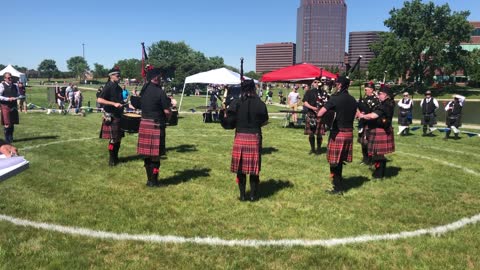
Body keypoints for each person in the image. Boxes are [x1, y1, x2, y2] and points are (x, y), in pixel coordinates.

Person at [228, 79, 268, 201]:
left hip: (240, 136)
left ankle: (242, 195)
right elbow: (265, 121)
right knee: (254, 169)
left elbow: (230, 121)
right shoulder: (260, 103)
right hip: (254, 136)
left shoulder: (236, 102)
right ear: (254, 88)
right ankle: (252, 196)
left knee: (241, 169)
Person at [317, 76, 358, 194]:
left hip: (338, 132)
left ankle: (338, 187)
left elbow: (320, 113)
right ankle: (338, 183)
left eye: (336, 84)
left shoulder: (335, 98)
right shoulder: (352, 99)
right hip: (349, 132)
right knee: (339, 161)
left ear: (339, 85)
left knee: (334, 161)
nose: (335, 86)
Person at [137, 68, 171, 187]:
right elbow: (166, 111)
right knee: (155, 156)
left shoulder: (144, 90)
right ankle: (154, 181)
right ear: (156, 78)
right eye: (160, 77)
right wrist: (169, 115)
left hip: (144, 123)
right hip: (156, 124)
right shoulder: (160, 92)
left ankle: (149, 180)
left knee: (147, 154)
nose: (161, 79)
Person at [359, 86, 396, 179]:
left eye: (380, 94)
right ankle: (379, 172)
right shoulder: (385, 103)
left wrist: (361, 116)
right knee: (378, 154)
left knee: (378, 153)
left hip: (380, 129)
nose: (378, 95)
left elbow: (373, 116)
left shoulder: (385, 105)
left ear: (386, 95)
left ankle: (379, 174)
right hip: (381, 129)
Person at [97, 67, 125, 166]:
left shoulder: (118, 88)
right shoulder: (108, 86)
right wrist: (113, 104)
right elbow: (99, 100)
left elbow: (119, 101)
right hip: (111, 116)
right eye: (117, 75)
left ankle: (116, 157)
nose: (119, 77)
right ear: (111, 76)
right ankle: (112, 159)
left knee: (118, 138)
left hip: (118, 115)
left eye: (119, 75)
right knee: (113, 139)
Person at [303, 78, 330, 155]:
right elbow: (305, 103)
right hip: (311, 114)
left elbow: (327, 103)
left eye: (318, 82)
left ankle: (318, 148)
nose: (316, 83)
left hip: (320, 115)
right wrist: (313, 108)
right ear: (312, 83)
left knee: (319, 133)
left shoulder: (323, 93)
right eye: (315, 82)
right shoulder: (309, 92)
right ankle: (312, 149)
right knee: (311, 133)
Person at [357, 82, 379, 165]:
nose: (365, 91)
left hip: (371, 124)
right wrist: (358, 113)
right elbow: (357, 108)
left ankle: (371, 159)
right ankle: (365, 159)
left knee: (369, 143)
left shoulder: (376, 100)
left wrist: (364, 115)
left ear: (372, 90)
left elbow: (375, 112)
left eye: (366, 89)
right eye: (365, 89)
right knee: (363, 143)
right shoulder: (363, 99)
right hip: (362, 123)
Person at [0, 72, 20, 143]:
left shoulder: (15, 85)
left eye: (11, 77)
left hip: (13, 105)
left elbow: (18, 94)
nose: (10, 79)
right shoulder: (1, 85)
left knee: (12, 122)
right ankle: (6, 139)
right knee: (7, 123)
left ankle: (11, 137)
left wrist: (19, 97)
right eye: (8, 78)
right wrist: (8, 99)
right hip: (5, 105)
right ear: (5, 78)